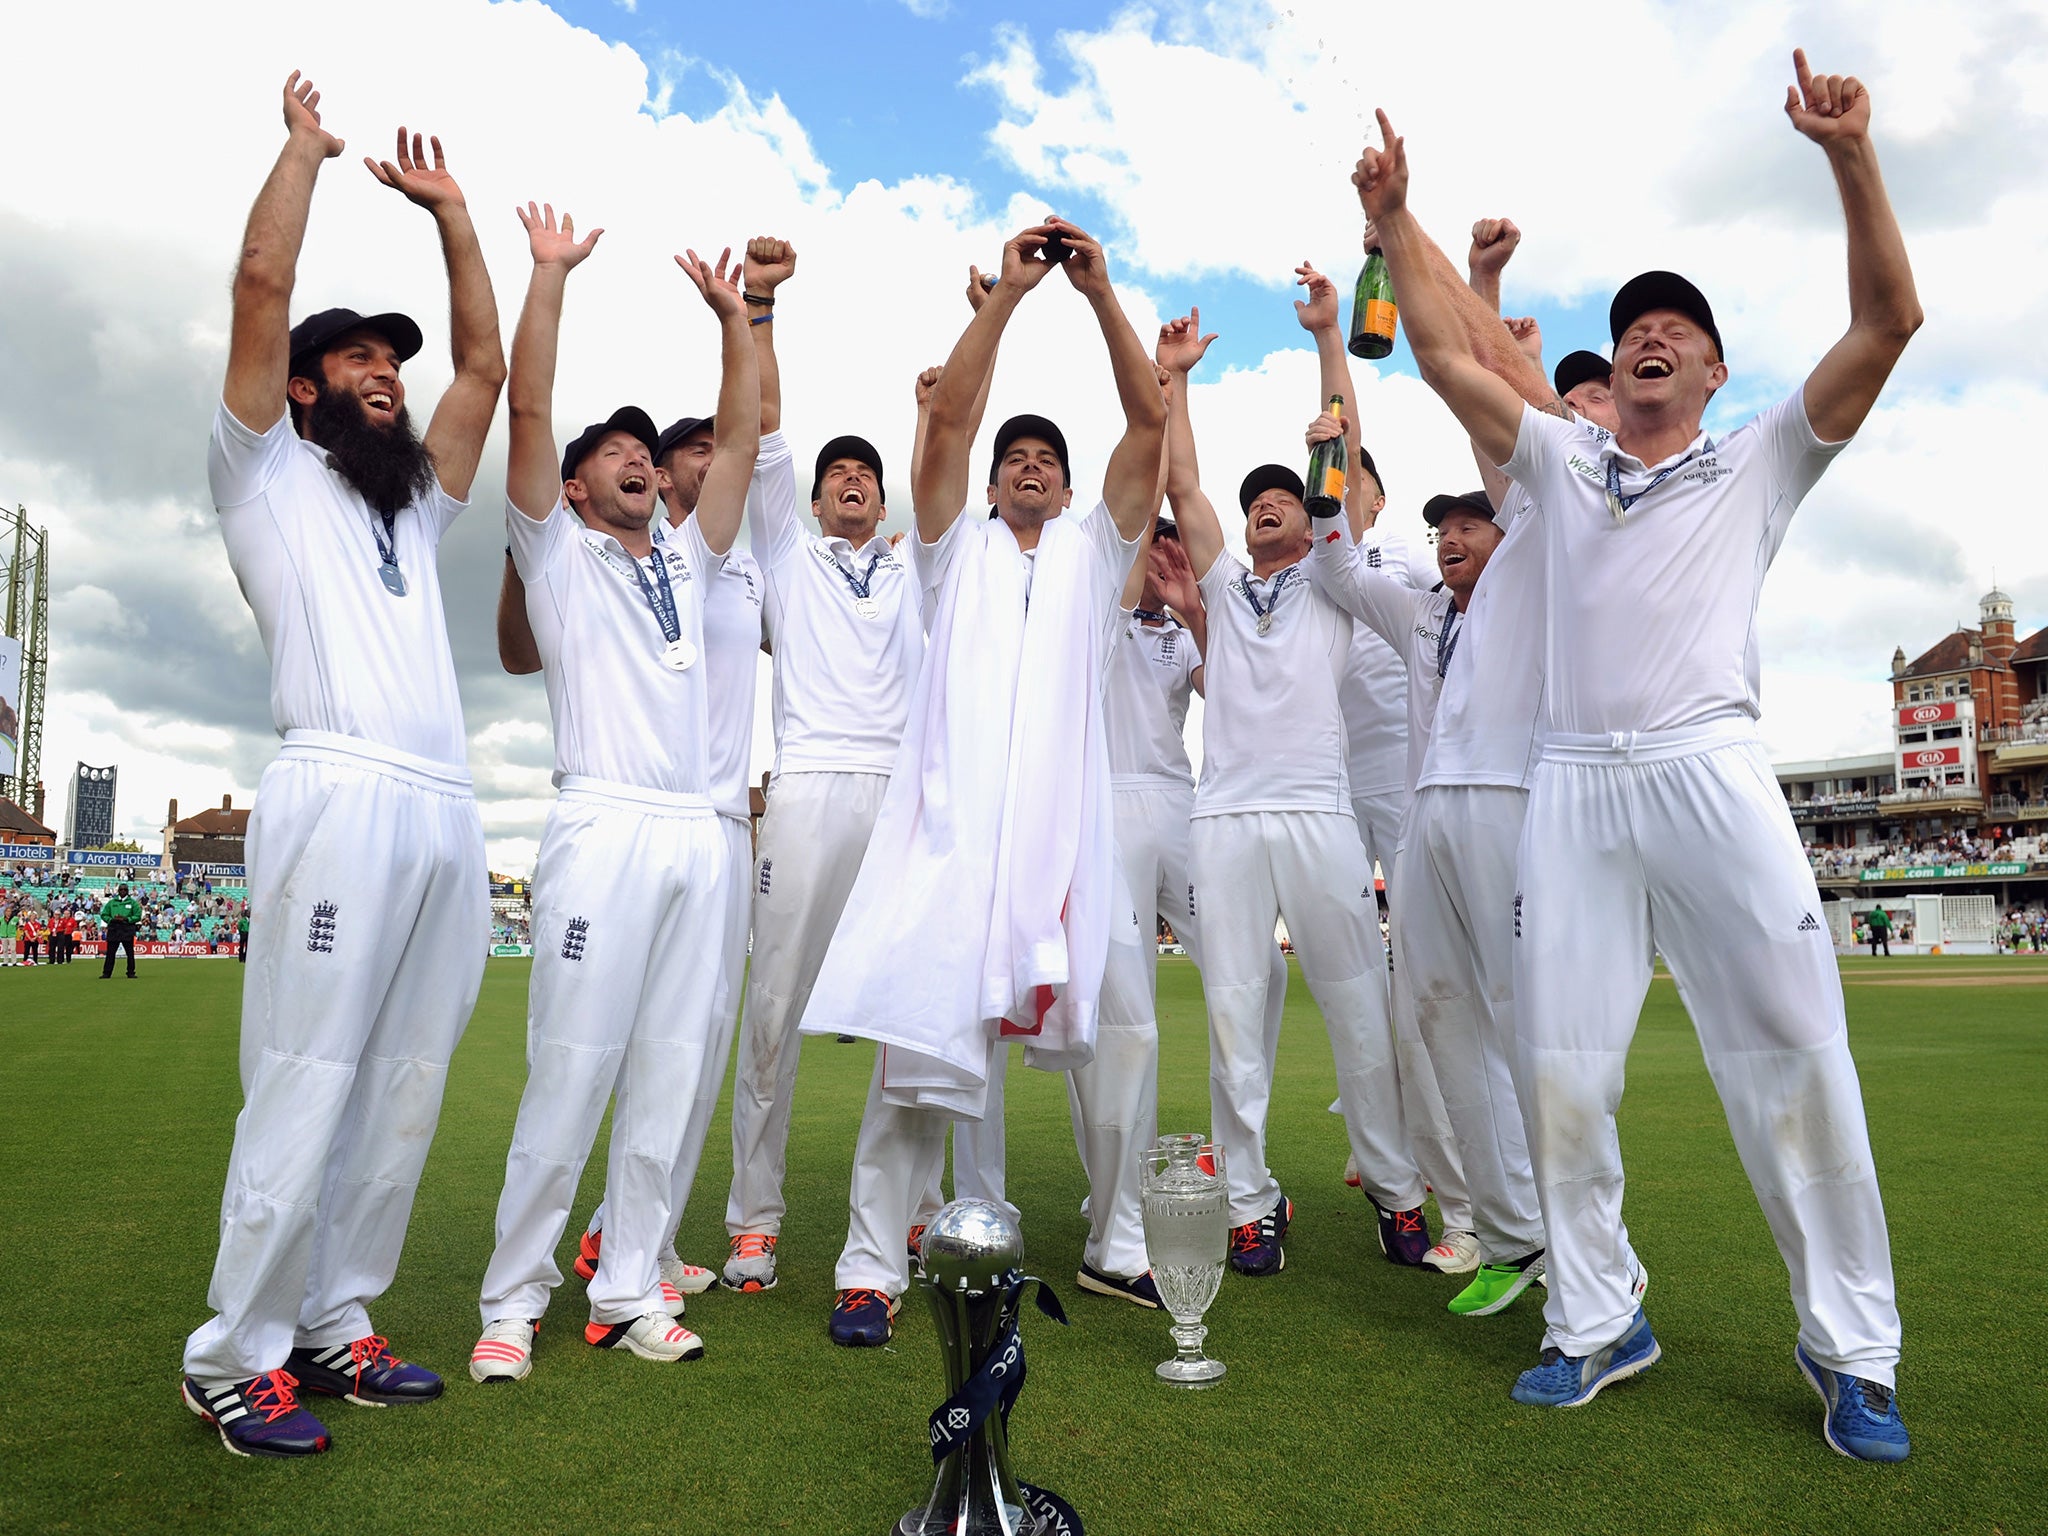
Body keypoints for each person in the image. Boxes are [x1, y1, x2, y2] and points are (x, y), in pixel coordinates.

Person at [1353, 48, 1919, 1460]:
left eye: (1677, 328)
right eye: (1635, 325)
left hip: (1710, 769)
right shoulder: (1561, 458)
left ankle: (1854, 1352)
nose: (1651, 336)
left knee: (1791, 1050)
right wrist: (1394, 222)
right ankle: (1598, 1319)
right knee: (1562, 1064)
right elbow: (1440, 352)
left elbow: (1892, 317)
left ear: (1716, 370)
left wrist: (1849, 154)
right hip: (1573, 787)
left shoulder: (1760, 459)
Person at [181, 78, 504, 1459]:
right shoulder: (263, 474)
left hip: (441, 813)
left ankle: (335, 1320)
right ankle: (233, 1357)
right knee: (309, 1073)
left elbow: (483, 371)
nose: (390, 373)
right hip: (335, 790)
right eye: (359, 360)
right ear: (309, 391)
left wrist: (456, 220)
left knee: (405, 1081)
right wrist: (305, 153)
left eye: (394, 360)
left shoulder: (416, 506)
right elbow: (262, 282)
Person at [803, 217, 1166, 1345]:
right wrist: (1003, 298)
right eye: (1017, 455)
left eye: (1046, 458)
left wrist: (1101, 296)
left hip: (1064, 846)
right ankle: (870, 1264)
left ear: (1065, 491)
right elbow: (950, 418)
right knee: (920, 1049)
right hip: (952, 838)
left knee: (1115, 1042)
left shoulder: (1093, 555)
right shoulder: (948, 547)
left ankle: (1120, 1241)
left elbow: (1148, 421)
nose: (1027, 463)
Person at [470, 203, 757, 1383]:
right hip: (601, 820)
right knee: (573, 1066)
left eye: (646, 452)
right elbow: (528, 409)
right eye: (615, 456)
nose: (639, 460)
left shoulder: (688, 558)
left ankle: (627, 1283)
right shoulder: (553, 550)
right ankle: (511, 1297)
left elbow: (734, 445)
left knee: (673, 1068)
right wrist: (548, 277)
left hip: (699, 834)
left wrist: (736, 322)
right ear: (577, 489)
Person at [717, 240, 972, 1294]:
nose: (852, 483)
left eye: (865, 475)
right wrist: (761, 306)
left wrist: (930, 404)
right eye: (838, 476)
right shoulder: (783, 554)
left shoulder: (916, 566)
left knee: (910, 1012)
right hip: (812, 786)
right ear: (816, 501)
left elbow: (942, 461)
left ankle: (912, 1212)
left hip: (901, 796)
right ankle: (753, 1220)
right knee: (773, 1008)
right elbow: (766, 430)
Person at [1155, 293, 1425, 1280]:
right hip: (1223, 814)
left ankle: (1397, 1194)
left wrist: (1326, 346)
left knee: (1358, 1012)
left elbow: (1341, 471)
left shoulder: (1327, 578)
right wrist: (1175, 381)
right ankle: (1248, 1203)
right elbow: (1181, 479)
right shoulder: (1223, 584)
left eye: (1284, 492)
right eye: (1255, 495)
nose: (1269, 499)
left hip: (1319, 811)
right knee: (1231, 1021)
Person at [99, 885, 142, 979]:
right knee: (110, 953)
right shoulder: (112, 902)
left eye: (125, 889)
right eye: (121, 889)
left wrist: (127, 919)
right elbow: (104, 914)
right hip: (114, 928)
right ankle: (106, 973)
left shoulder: (133, 903)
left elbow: (138, 916)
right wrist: (111, 920)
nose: (123, 891)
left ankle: (131, 972)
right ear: (118, 891)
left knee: (130, 953)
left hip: (127, 928)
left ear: (128, 891)